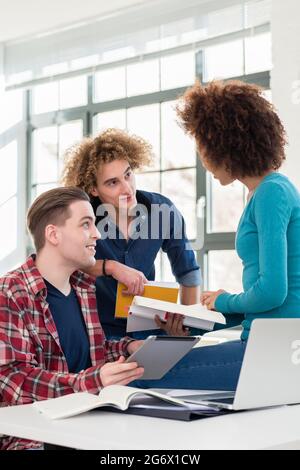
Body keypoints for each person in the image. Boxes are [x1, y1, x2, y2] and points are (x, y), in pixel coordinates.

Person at [0, 187, 144, 451]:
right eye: (85, 224)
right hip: (35, 436)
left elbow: (89, 352)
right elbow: (14, 381)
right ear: (53, 234)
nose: (97, 234)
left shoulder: (83, 288)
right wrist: (94, 381)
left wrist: (128, 348)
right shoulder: (10, 292)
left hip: (90, 425)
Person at [175, 79, 300, 341]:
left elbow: (272, 292)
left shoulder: (271, 193)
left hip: (271, 346)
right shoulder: (265, 192)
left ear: (224, 145)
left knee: (148, 374)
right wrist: (198, 322)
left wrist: (223, 301)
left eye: (201, 144)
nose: (201, 157)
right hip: (266, 338)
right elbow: (264, 301)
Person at [61, 128, 202, 339]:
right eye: (113, 182)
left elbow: (188, 272)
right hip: (98, 334)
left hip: (149, 329)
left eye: (128, 175)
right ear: (93, 189)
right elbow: (66, 266)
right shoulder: (82, 218)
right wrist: (112, 267)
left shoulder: (162, 211)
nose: (127, 189)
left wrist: (186, 328)